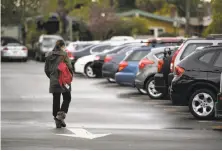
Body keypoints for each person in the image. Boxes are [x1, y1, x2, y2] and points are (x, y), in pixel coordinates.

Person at [44, 40, 73, 128]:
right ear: (62, 46)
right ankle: (60, 115)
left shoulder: (48, 55)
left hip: (53, 80)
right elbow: (69, 66)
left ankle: (57, 119)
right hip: (63, 80)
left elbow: (46, 69)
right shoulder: (64, 54)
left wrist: (52, 77)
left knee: (56, 99)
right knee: (67, 97)